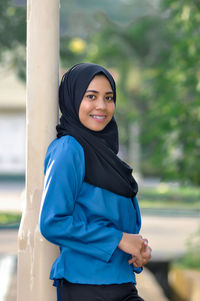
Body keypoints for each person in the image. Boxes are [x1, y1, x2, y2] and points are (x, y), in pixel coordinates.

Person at [39, 63, 152, 301]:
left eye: (109, 98)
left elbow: (121, 226)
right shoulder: (69, 149)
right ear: (72, 98)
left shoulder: (107, 155)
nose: (102, 106)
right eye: (91, 96)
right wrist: (119, 239)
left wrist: (138, 252)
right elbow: (53, 222)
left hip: (121, 281)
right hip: (86, 286)